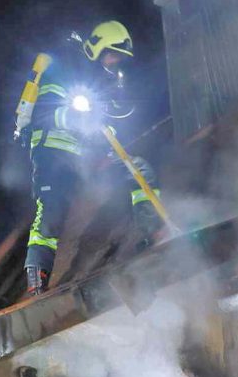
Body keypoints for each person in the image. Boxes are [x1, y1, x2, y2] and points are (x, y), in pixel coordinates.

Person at [22, 20, 163, 296]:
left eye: (119, 58)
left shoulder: (106, 82)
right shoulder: (63, 71)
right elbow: (42, 114)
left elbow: (107, 125)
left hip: (88, 159)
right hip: (54, 154)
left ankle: (153, 231)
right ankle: (37, 274)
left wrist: (106, 132)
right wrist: (76, 117)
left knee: (138, 169)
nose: (115, 62)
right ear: (98, 48)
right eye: (112, 54)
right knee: (52, 209)